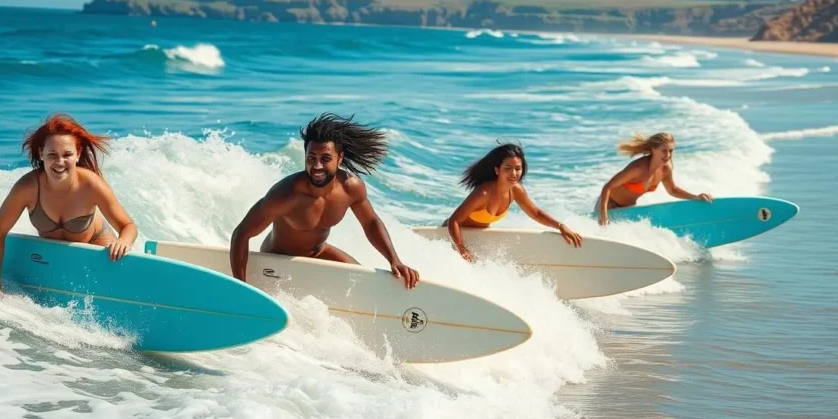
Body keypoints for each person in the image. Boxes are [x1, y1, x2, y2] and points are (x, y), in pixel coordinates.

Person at [229, 113, 420, 289]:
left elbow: (370, 223)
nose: (317, 165)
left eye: (325, 158)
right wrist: (241, 288)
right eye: (311, 157)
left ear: (340, 158)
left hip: (318, 253)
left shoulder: (350, 188)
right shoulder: (285, 195)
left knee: (364, 285)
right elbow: (241, 234)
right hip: (279, 260)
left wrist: (394, 260)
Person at [0, 114, 138, 291]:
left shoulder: (92, 185)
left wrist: (123, 241)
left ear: (78, 154)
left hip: (98, 249)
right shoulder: (27, 188)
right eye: (52, 154)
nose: (60, 162)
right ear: (41, 154)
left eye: (67, 154)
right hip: (57, 255)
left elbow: (128, 226)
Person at [443, 142, 582, 262]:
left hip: (474, 238)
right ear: (498, 170)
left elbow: (535, 213)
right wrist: (461, 249)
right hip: (451, 236)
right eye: (508, 168)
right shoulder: (484, 193)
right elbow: (454, 220)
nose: (514, 174)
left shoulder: (515, 190)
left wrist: (560, 226)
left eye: (518, 169)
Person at [596, 132, 712, 226]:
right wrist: (604, 215)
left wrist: (695, 197)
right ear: (653, 150)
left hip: (629, 210)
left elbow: (673, 190)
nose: (668, 155)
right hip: (608, 207)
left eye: (671, 150)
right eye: (664, 150)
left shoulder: (666, 169)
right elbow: (608, 187)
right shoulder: (638, 168)